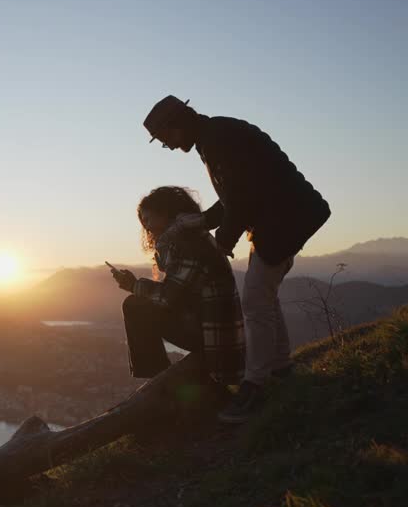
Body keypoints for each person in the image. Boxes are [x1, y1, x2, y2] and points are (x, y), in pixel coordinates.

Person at [143, 95, 330, 424]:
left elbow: (241, 197)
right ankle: (281, 369)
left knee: (256, 300)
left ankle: (254, 387)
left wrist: (223, 239)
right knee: (263, 296)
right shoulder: (216, 135)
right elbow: (233, 196)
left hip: (285, 221)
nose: (169, 147)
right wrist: (203, 221)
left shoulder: (218, 141)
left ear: (177, 125)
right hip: (288, 217)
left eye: (166, 139)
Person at [112, 186, 245, 394]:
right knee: (138, 304)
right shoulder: (189, 237)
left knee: (135, 306)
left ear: (165, 213)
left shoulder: (189, 243)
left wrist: (134, 286)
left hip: (212, 334)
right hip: (207, 326)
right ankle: (158, 380)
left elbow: (169, 297)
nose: (146, 227)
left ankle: (159, 383)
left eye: (148, 219)